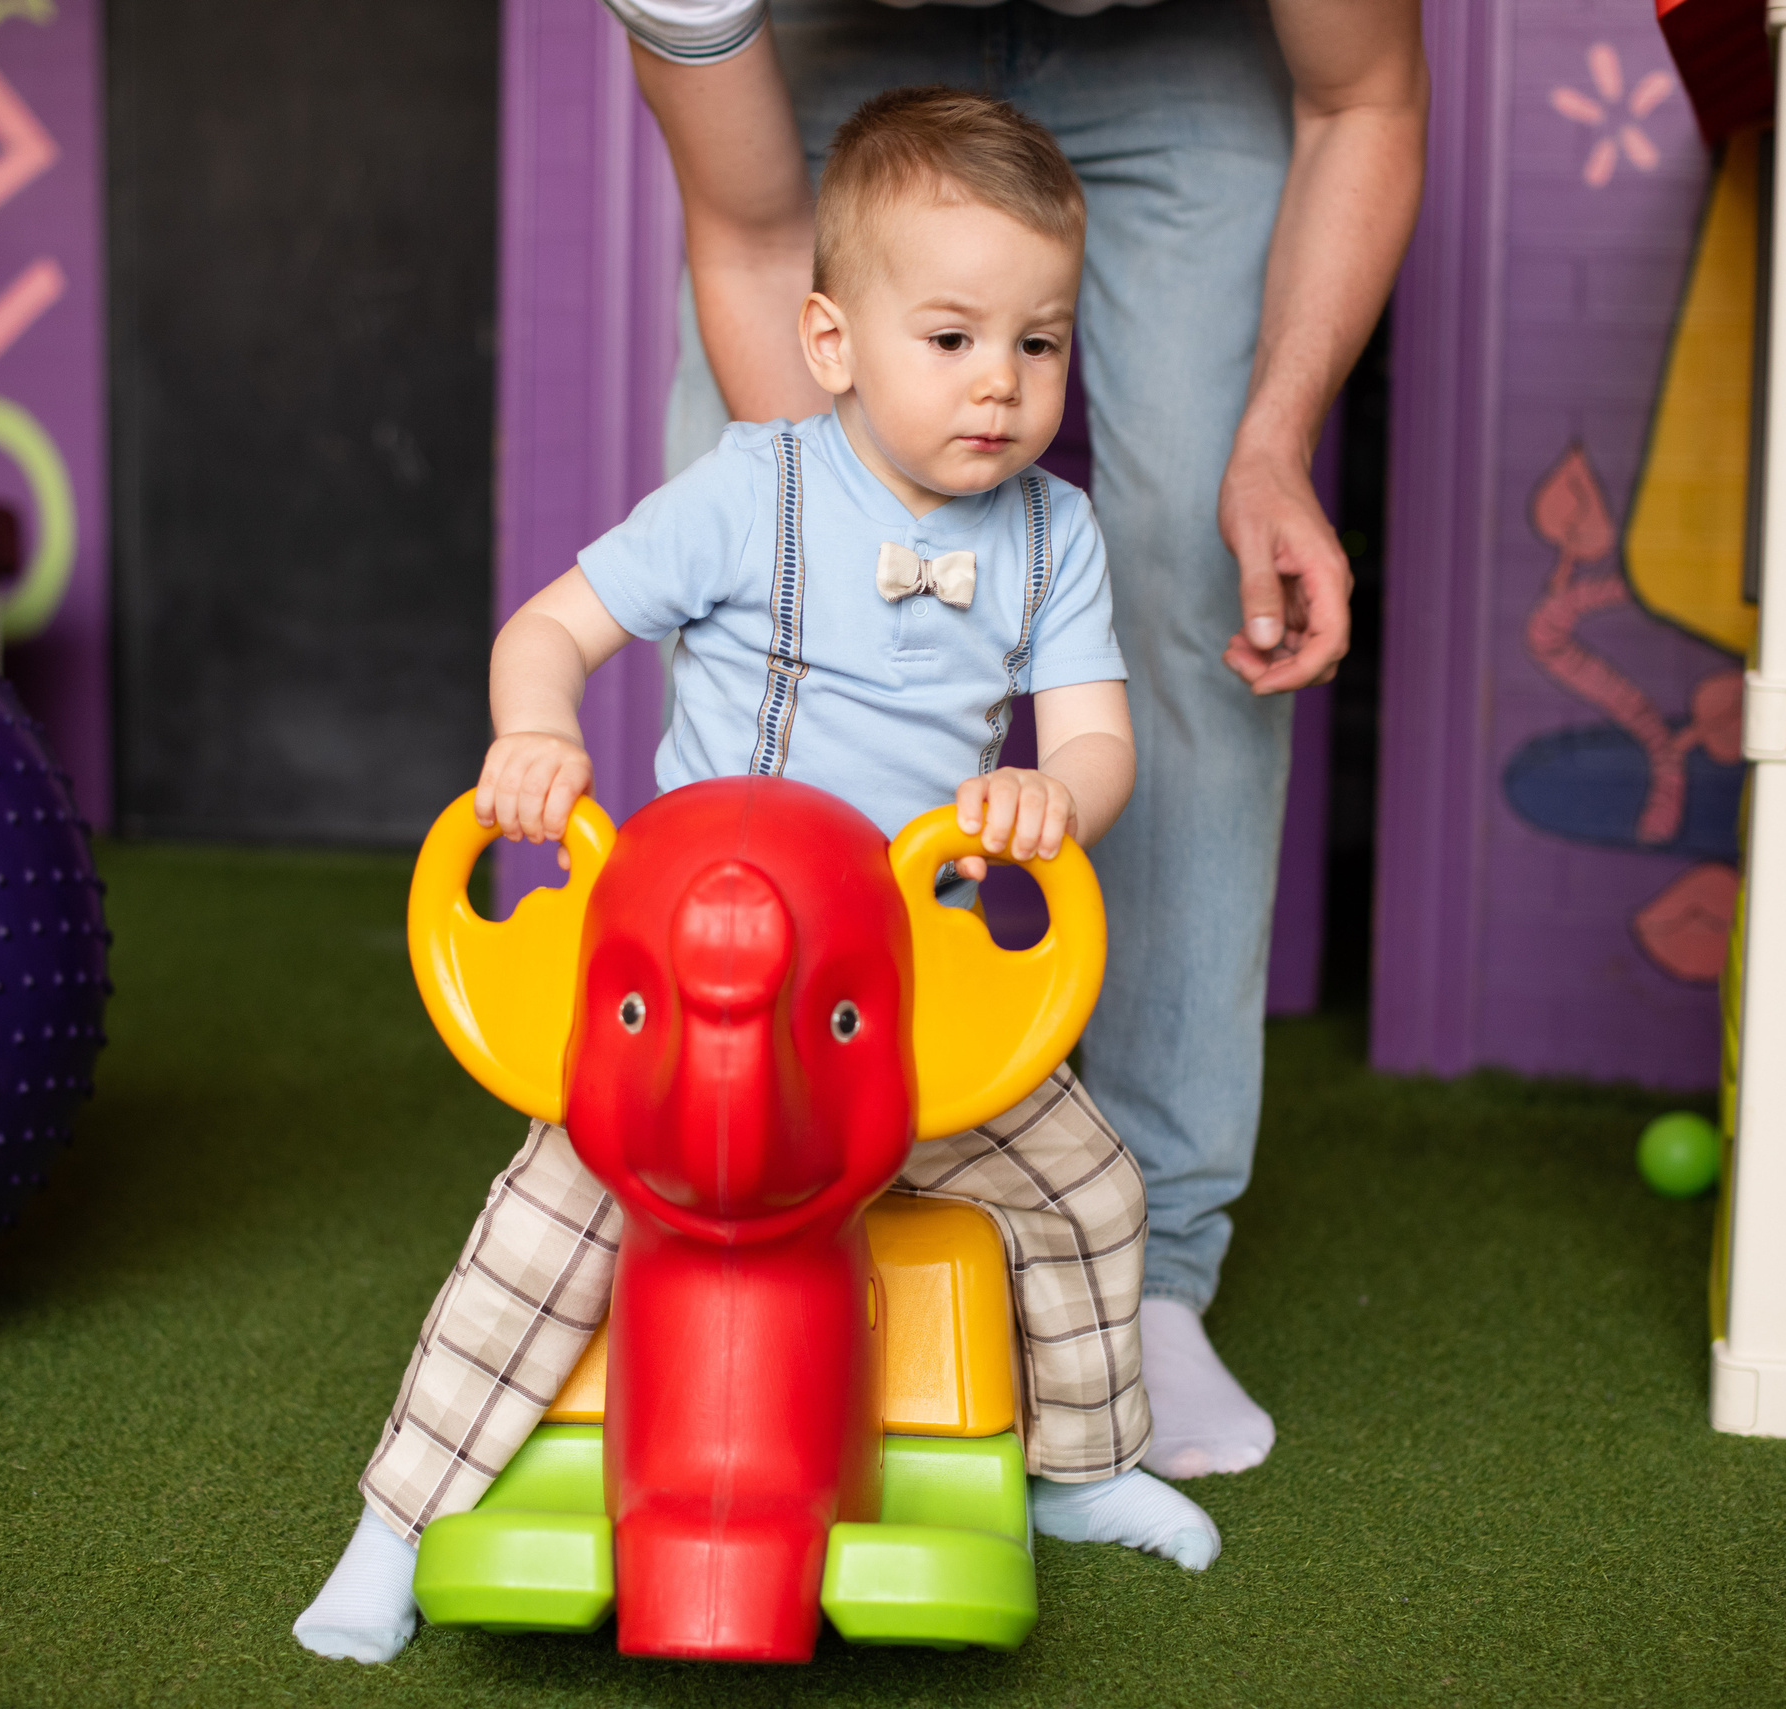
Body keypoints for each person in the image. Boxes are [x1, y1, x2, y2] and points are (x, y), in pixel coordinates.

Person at [298, 90, 1227, 1666]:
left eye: (1042, 342)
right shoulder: (756, 489)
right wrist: (534, 734)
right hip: (712, 990)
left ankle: (1081, 1464)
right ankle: (394, 1525)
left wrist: (1045, 795)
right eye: (951, 338)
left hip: (895, 984)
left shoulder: (1053, 536)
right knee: (549, 1229)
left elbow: (1100, 743)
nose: (1002, 386)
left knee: (1088, 1189)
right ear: (832, 336)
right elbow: (553, 628)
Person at [627, 0, 1426, 1484]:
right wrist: (833, 540)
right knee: (746, 576)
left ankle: (1148, 1272)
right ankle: (751, 1193)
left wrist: (1272, 444)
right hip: (833, 59)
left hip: (1187, 65)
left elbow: (1362, 98)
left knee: (1200, 573)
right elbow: (748, 240)